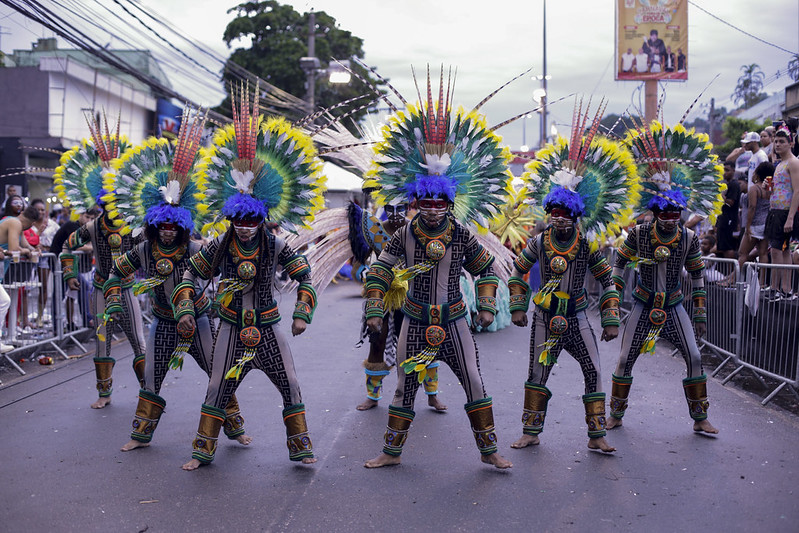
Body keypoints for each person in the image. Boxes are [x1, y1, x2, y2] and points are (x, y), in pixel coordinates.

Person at [361, 70, 513, 470]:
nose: (431, 209)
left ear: (449, 202)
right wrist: (376, 309)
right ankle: (390, 453)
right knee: (403, 387)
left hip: (456, 322)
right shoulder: (405, 234)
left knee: (474, 383)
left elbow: (487, 269)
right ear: (416, 201)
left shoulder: (461, 234)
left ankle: (489, 451)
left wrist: (484, 306)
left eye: (438, 203)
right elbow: (379, 271)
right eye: (424, 202)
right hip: (413, 322)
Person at [177, 89, 324, 470]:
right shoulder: (221, 244)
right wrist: (186, 305)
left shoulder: (276, 246)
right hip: (229, 326)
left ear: (262, 218)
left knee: (290, 382)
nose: (243, 229)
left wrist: (302, 314)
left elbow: (304, 276)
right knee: (217, 386)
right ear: (231, 218)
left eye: (250, 221)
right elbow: (192, 271)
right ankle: (201, 453)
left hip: (269, 326)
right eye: (237, 221)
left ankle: (301, 449)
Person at [104, 114, 252, 453]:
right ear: (155, 225)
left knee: (218, 375)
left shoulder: (198, 249)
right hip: (162, 321)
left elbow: (227, 265)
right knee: (153, 375)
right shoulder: (143, 249)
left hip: (199, 320)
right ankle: (140, 436)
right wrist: (113, 296)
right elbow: (116, 272)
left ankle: (235, 430)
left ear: (183, 227)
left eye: (175, 226)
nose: (169, 231)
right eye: (164, 226)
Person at [607, 120, 724, 436]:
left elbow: (698, 275)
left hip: (674, 306)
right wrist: (613, 304)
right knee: (624, 359)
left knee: (695, 356)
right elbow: (619, 265)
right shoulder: (639, 234)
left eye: (677, 213)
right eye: (666, 213)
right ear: (655, 211)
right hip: (644, 305)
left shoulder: (688, 238)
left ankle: (700, 418)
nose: (671, 219)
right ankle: (615, 414)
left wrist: (699, 314)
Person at [55, 114, 146, 409]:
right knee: (101, 341)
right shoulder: (93, 228)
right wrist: (70, 275)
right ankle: (104, 394)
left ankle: (149, 391)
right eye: (106, 203)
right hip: (99, 290)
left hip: (128, 289)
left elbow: (152, 251)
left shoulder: (134, 228)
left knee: (137, 341)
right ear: (101, 203)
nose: (110, 207)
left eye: (115, 202)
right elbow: (67, 248)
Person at [348, 201, 447, 412]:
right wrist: (367, 274)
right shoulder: (373, 228)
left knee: (424, 342)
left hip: (413, 295)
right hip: (380, 295)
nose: (395, 213)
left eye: (400, 207)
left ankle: (432, 395)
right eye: (390, 208)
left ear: (409, 206)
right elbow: (358, 265)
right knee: (376, 341)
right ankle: (372, 396)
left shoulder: (417, 228)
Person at [763, 128, 799, 300]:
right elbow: (777, 191)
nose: (777, 145)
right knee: (780, 251)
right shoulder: (778, 164)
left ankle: (780, 288)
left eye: (781, 142)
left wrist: (791, 217)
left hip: (785, 212)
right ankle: (783, 288)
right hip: (775, 210)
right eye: (776, 141)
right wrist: (766, 187)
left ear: (791, 143)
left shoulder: (793, 162)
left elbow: (797, 190)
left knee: (778, 250)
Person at [50, 207, 97, 329]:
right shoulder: (72, 226)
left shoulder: (83, 229)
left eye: (92, 218)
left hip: (68, 264)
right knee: (59, 294)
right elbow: (77, 246)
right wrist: (91, 247)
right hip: (59, 263)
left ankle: (84, 320)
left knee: (80, 288)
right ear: (80, 215)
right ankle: (58, 326)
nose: (89, 220)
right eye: (87, 217)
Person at [0, 205, 37, 352]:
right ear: (32, 223)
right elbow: (15, 248)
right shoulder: (15, 223)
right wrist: (27, 251)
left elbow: (26, 247)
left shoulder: (16, 225)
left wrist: (32, 251)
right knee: (4, 301)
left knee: (3, 301)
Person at [737, 161, 772, 286]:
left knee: (742, 253)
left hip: (755, 225)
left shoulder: (754, 188)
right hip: (766, 225)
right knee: (763, 253)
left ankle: (738, 281)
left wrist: (747, 227)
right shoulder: (770, 189)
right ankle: (762, 283)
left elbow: (752, 207)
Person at [30, 199, 59, 328]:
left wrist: (48, 248)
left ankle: (40, 317)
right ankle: (22, 317)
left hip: (46, 257)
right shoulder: (27, 223)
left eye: (42, 209)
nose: (40, 212)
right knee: (25, 287)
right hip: (29, 257)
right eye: (38, 209)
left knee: (43, 287)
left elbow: (59, 239)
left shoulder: (52, 225)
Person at [715, 159, 741, 259]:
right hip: (723, 219)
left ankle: (732, 273)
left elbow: (731, 202)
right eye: (723, 170)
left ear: (733, 170)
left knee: (727, 247)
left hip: (729, 220)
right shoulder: (726, 184)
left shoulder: (734, 184)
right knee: (722, 247)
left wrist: (721, 195)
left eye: (727, 170)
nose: (724, 173)